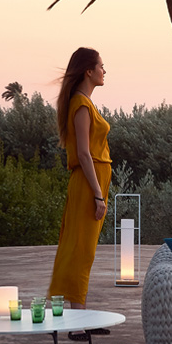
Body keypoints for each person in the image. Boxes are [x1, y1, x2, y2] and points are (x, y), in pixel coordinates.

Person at [47, 48, 111, 322]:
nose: (104, 71)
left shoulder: (83, 103)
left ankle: (78, 318)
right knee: (81, 251)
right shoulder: (82, 105)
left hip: (93, 182)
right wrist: (97, 195)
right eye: (101, 66)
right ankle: (77, 321)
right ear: (88, 70)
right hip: (88, 184)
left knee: (84, 250)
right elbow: (84, 153)